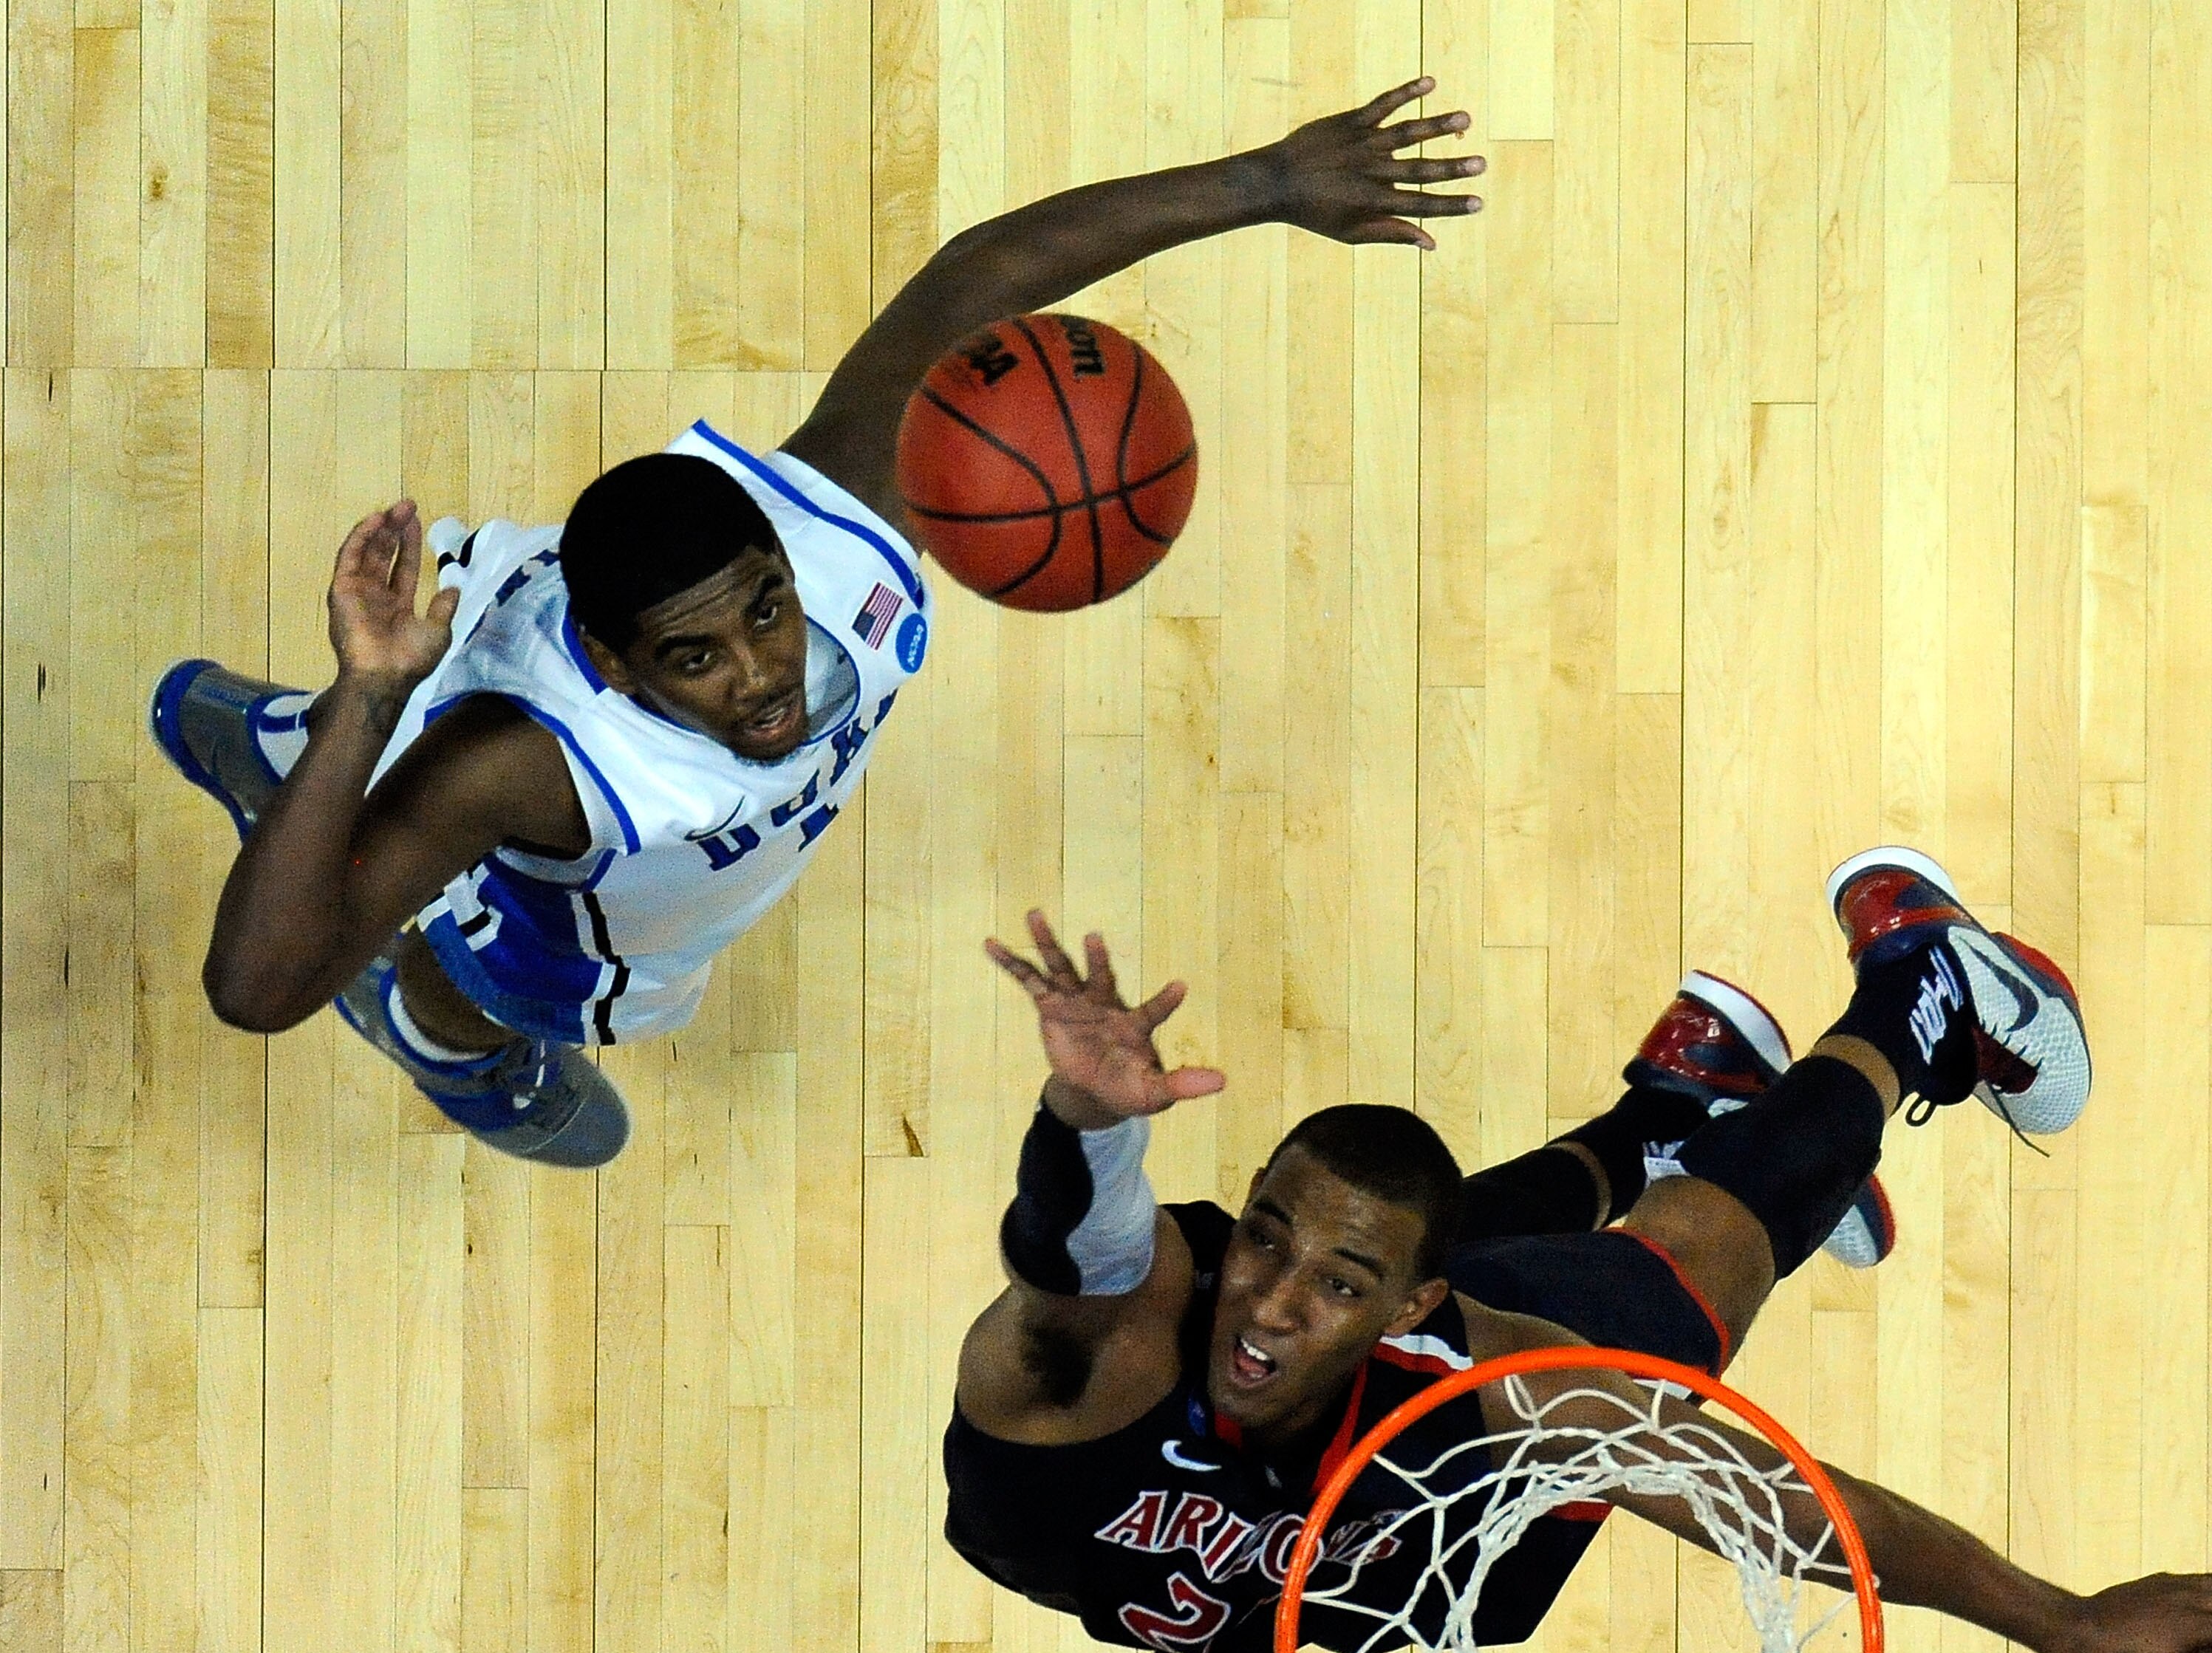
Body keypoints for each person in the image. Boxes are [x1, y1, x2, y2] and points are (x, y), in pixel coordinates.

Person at [149, 81, 1489, 1166]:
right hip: (550, 889)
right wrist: (381, 696)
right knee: (487, 970)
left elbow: (982, 277)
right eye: (697, 658)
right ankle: (441, 1033)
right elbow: (256, 989)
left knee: (357, 774)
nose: (762, 677)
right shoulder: (519, 761)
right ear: (613, 666)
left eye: (763, 615)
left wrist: (1266, 183)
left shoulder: (832, 523)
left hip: (517, 671)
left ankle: (280, 746)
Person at [941, 849, 2212, 1653]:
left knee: (1674, 1309)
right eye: (1265, 1245)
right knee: (1406, 1229)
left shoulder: (1503, 1381)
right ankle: (1670, 1113)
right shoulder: (1097, 1361)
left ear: (1411, 1315)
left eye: (1339, 1286)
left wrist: (2059, 1620)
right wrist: (1094, 1126)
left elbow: (1768, 1494)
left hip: (1416, 1491)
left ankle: (1918, 996)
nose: (1270, 1306)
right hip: (1305, 1556)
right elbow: (1078, 1259)